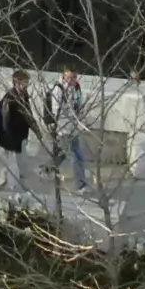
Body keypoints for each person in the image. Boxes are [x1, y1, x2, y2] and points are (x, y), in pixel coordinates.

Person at [44, 65, 89, 193]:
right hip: (64, 127)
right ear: (64, 74)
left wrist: (81, 121)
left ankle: (47, 168)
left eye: (75, 77)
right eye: (70, 77)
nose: (73, 80)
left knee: (63, 153)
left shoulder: (76, 87)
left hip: (74, 126)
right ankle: (81, 184)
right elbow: (56, 111)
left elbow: (79, 106)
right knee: (76, 154)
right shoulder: (58, 89)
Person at [0, 71, 35, 196]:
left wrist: (36, 129)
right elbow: (6, 121)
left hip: (21, 135)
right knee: (13, 163)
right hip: (10, 137)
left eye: (27, 83)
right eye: (24, 83)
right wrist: (9, 139)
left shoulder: (24, 95)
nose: (26, 85)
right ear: (17, 83)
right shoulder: (9, 98)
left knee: (20, 162)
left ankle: (7, 178)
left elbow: (28, 114)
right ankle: (13, 189)